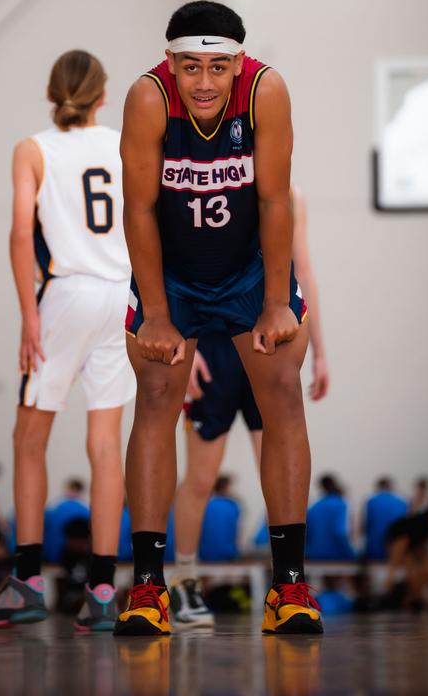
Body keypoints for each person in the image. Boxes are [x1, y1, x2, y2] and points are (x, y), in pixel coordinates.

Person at [115, 0, 322, 636]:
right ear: (169, 63)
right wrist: (155, 312)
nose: (204, 82)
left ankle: (289, 585)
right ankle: (148, 588)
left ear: (238, 64)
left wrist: (275, 301)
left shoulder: (267, 91)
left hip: (250, 266)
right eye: (190, 67)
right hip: (171, 272)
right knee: (154, 396)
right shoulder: (148, 99)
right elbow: (141, 209)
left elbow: (274, 198)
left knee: (283, 392)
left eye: (217, 67)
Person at [0, 50, 136, 631]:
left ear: (52, 91)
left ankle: (28, 582)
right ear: (102, 93)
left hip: (67, 293)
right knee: (105, 442)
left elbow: (22, 234)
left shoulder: (33, 148)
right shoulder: (124, 143)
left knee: (28, 437)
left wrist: (29, 314)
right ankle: (100, 589)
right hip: (122, 293)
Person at [171, 184, 329, 627]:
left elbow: (304, 272)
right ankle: (183, 583)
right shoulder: (205, 182)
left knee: (276, 472)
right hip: (215, 345)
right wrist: (188, 345)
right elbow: (180, 266)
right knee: (200, 479)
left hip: (269, 342)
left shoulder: (291, 196)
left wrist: (320, 350)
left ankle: (288, 582)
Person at [384, 491, 428, 610]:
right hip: (398, 541)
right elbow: (400, 546)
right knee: (412, 567)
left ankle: (416, 597)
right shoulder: (420, 523)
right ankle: (416, 598)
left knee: (426, 569)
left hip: (415, 546)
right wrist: (391, 574)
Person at [305, 475, 356, 561]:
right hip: (334, 554)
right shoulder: (340, 504)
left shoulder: (313, 507)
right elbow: (339, 532)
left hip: (313, 554)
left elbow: (307, 535)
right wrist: (351, 554)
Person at [362, 477, 408, 560]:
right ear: (391, 487)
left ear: (378, 487)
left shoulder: (371, 502)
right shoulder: (402, 503)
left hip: (374, 551)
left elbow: (365, 527)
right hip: (395, 552)